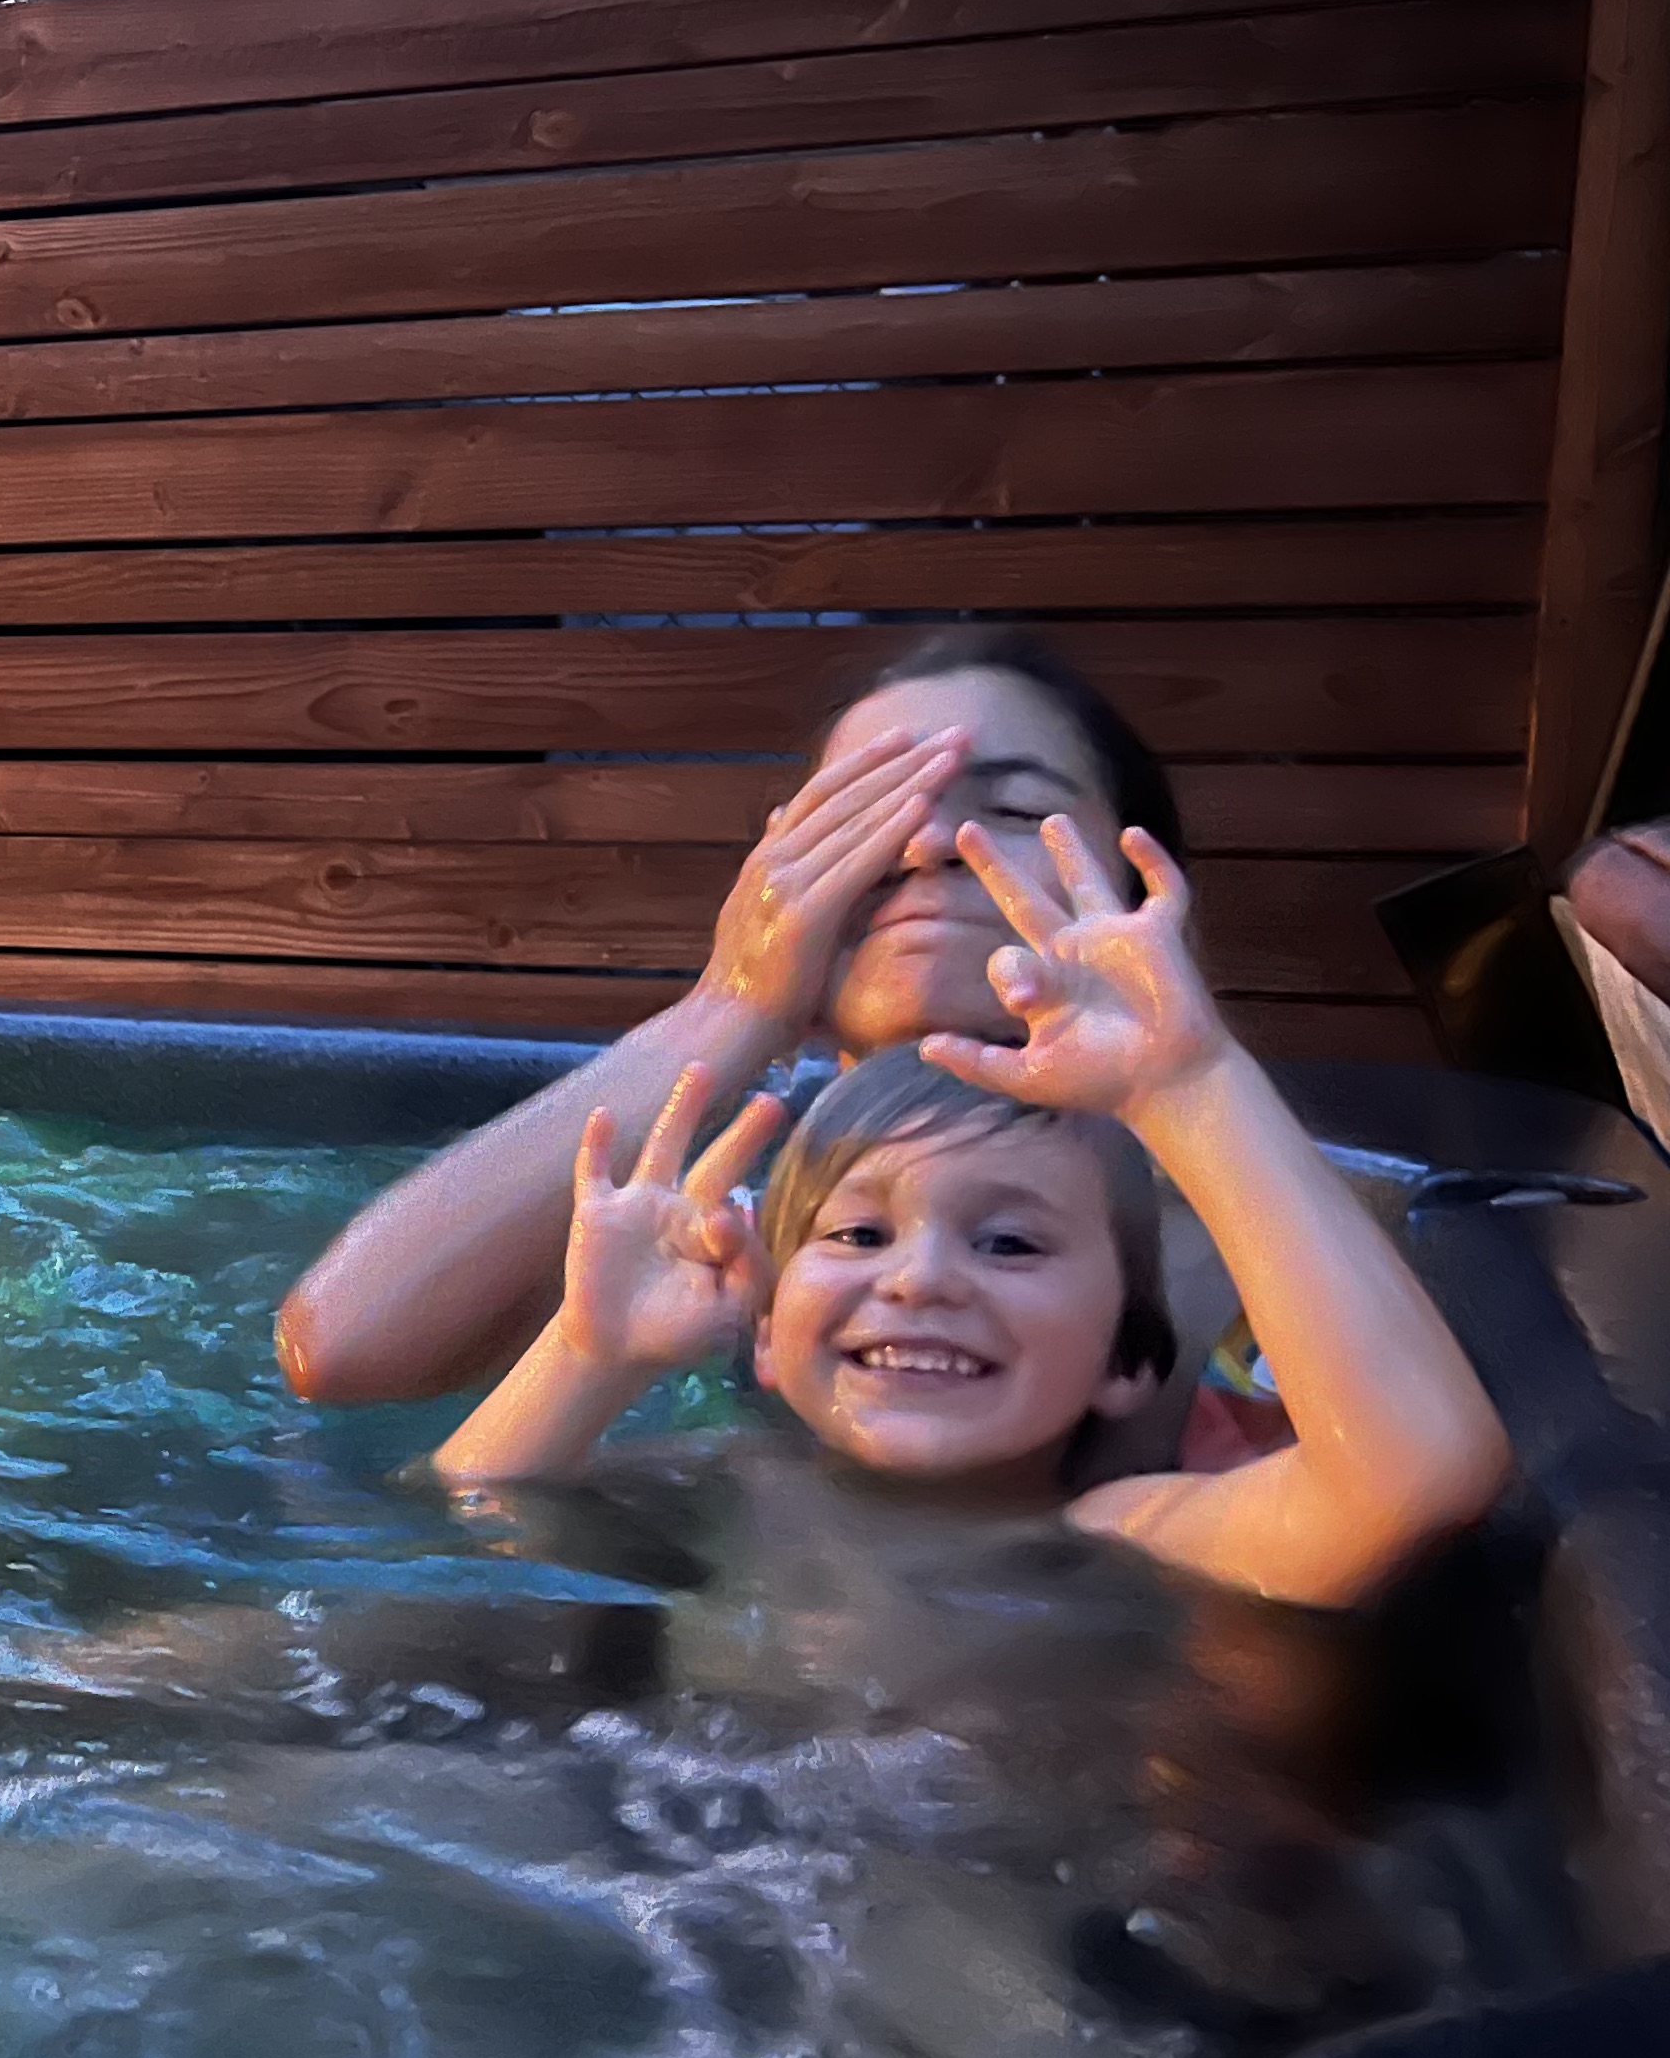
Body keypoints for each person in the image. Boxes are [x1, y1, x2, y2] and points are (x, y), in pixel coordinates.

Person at [436, 815, 1511, 1614]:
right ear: (765, 1336)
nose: (919, 1279)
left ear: (1123, 1360)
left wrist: (1193, 1086)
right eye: (857, 1234)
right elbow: (469, 1517)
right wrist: (590, 1354)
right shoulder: (728, 1483)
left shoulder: (1128, 1533)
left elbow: (1412, 1483)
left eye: (1008, 1242)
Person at [278, 629, 1199, 1415]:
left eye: (1013, 809)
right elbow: (340, 1355)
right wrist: (734, 1000)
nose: (922, 845)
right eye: (858, 820)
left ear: (1141, 888)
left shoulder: (1222, 1227)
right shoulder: (713, 1209)